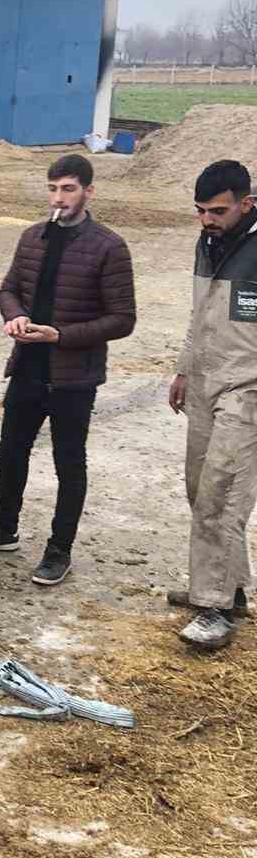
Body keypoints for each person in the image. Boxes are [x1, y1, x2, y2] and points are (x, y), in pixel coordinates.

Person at [0, 152, 136, 586]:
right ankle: (4, 528)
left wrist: (61, 336)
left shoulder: (109, 246)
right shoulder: (32, 237)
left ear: (89, 191)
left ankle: (59, 550)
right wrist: (14, 316)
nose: (59, 198)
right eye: (53, 188)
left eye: (69, 189)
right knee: (11, 450)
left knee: (68, 463)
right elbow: (8, 289)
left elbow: (123, 319)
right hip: (27, 367)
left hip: (75, 376)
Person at [166, 160, 257, 650]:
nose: (206, 219)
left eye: (217, 210)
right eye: (200, 211)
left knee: (223, 494)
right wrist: (184, 368)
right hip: (205, 382)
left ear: (247, 203)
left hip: (248, 389)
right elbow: (199, 313)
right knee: (199, 487)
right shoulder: (209, 242)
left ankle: (215, 608)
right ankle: (229, 587)